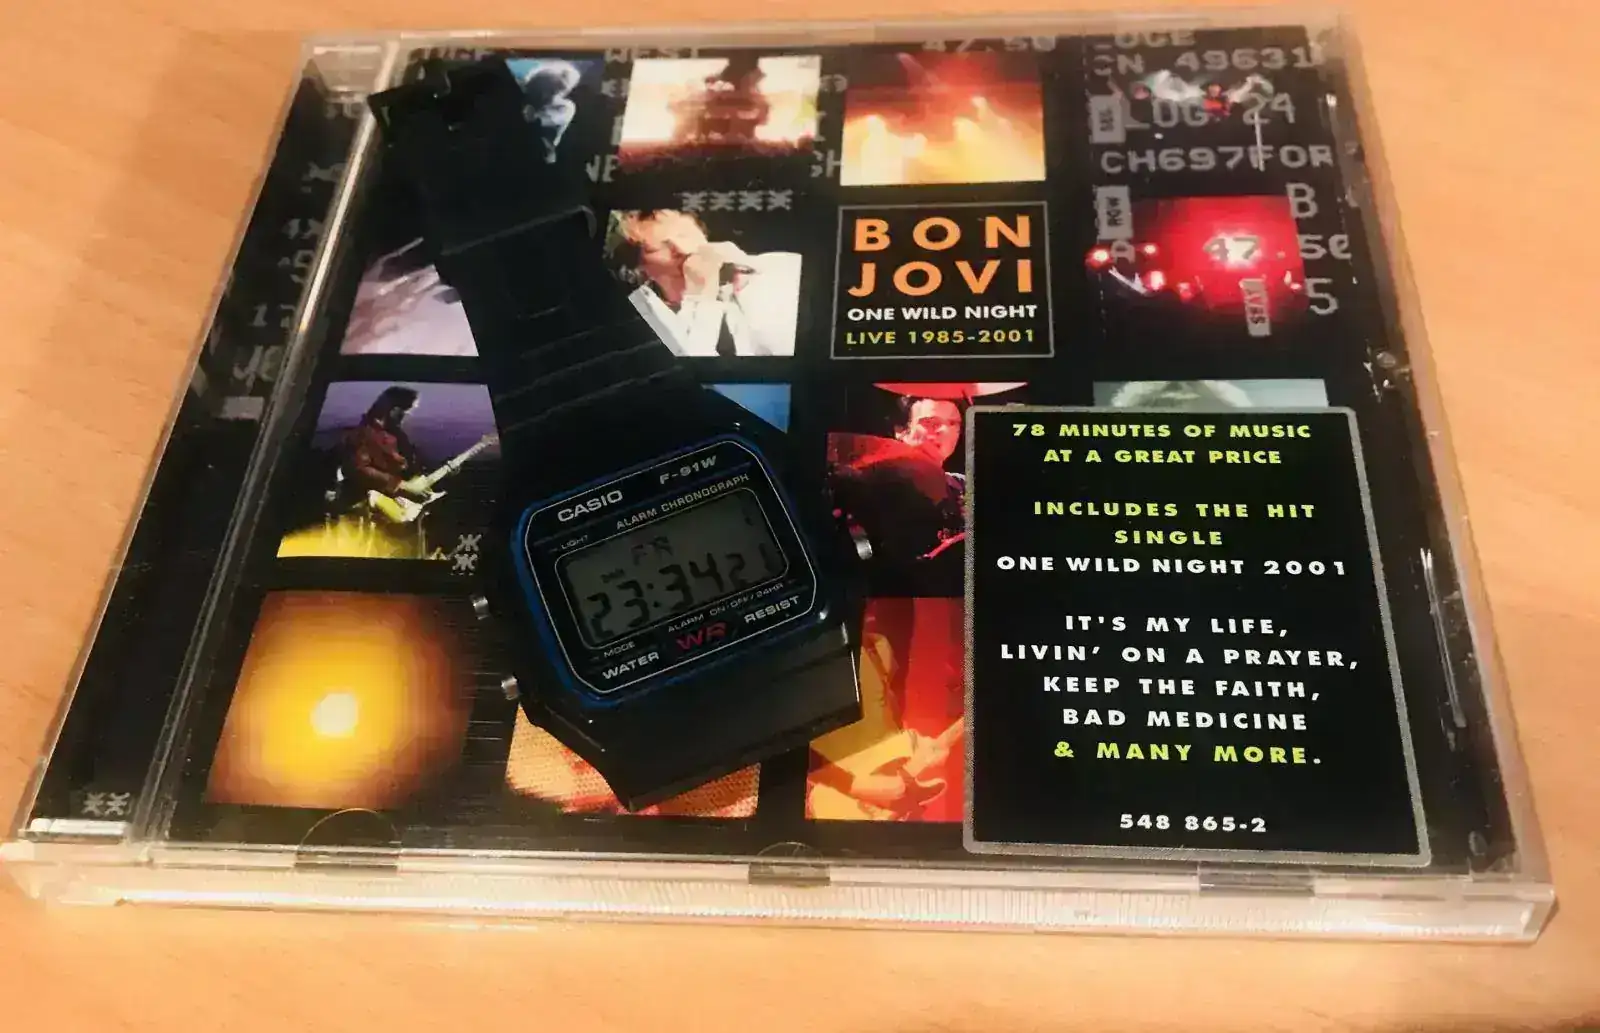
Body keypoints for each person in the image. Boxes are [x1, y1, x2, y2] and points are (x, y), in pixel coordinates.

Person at [606, 209, 801, 357]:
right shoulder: (643, 318)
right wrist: (701, 298)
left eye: (683, 234)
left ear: (703, 233)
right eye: (660, 247)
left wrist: (749, 265)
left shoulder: (780, 267)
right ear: (640, 269)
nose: (682, 249)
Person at [336, 386, 430, 508]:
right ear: (394, 411)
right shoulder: (362, 434)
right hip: (364, 508)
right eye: (408, 412)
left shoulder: (396, 434)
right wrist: (401, 487)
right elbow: (358, 469)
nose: (409, 416)